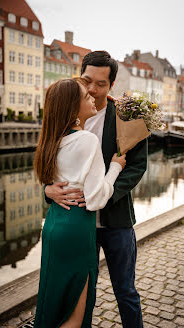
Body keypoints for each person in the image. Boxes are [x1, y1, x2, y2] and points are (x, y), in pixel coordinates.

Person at [45, 51, 148, 328]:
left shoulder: (128, 117)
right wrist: (47, 190)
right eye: (87, 81)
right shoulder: (64, 116)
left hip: (117, 222)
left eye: (101, 84)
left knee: (125, 291)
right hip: (80, 225)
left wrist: (105, 196)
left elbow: (137, 166)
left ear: (111, 85)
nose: (92, 89)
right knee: (83, 295)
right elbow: (49, 162)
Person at [34, 78, 126, 328]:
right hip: (77, 227)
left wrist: (47, 190)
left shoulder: (51, 141)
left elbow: (52, 182)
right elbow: (96, 198)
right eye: (86, 96)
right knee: (74, 316)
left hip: (54, 224)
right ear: (73, 107)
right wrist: (115, 168)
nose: (92, 98)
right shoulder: (87, 140)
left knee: (54, 304)